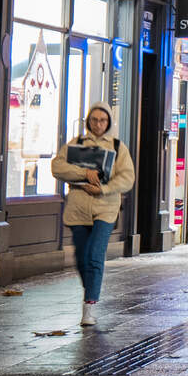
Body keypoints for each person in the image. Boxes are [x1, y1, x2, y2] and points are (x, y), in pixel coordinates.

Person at [50, 103, 136, 327]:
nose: (99, 124)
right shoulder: (76, 144)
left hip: (105, 207)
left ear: (108, 122)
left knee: (94, 254)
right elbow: (57, 167)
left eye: (103, 120)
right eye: (95, 120)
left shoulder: (118, 147)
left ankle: (89, 305)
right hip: (78, 207)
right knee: (81, 258)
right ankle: (90, 289)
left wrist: (103, 188)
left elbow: (127, 178)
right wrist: (84, 173)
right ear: (89, 121)